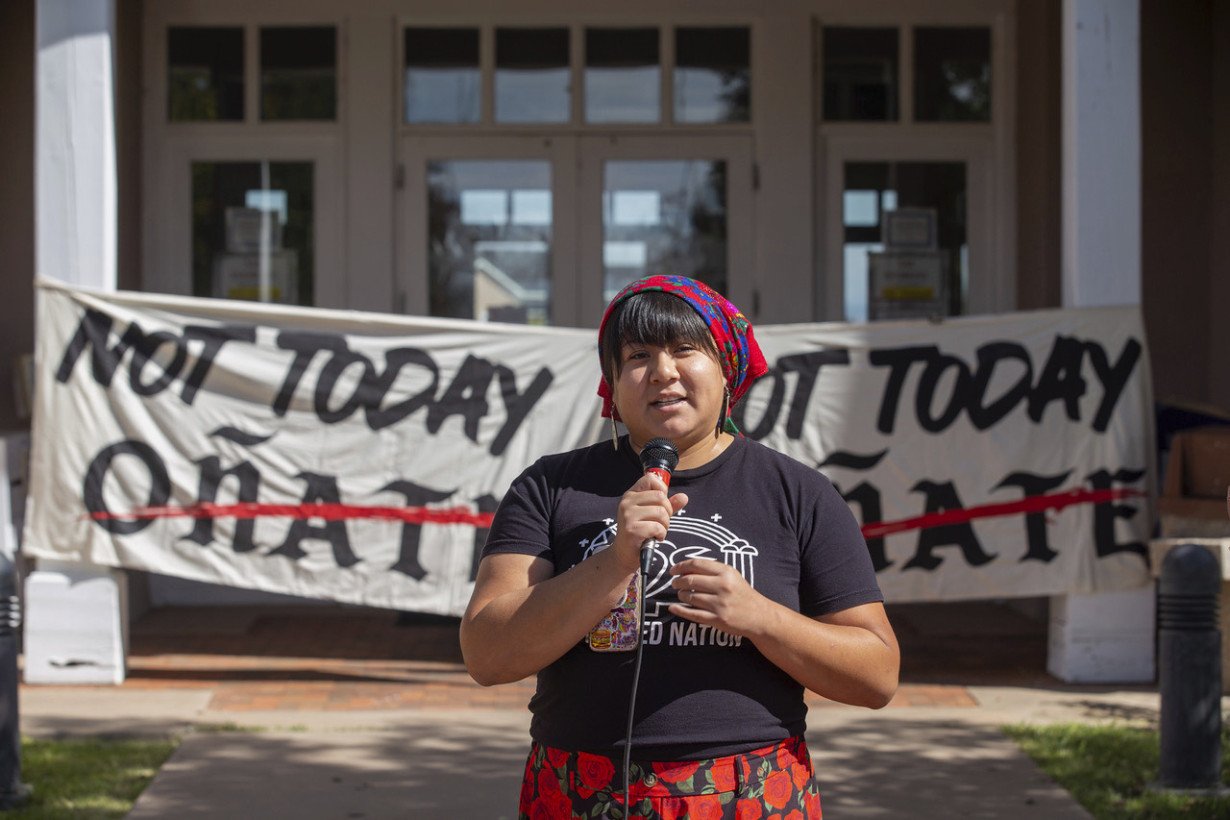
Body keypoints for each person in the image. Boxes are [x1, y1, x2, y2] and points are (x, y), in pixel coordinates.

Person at [461, 275, 899, 819]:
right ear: (614, 382)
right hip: (578, 789)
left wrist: (761, 617)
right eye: (638, 355)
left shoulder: (799, 493)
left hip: (749, 790)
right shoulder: (550, 487)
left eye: (685, 349)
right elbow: (487, 654)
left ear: (726, 370)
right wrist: (614, 560)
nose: (663, 372)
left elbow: (877, 675)